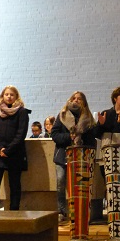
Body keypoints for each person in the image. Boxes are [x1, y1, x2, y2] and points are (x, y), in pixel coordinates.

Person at [91, 86, 120, 223]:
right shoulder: (106, 113)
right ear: (115, 98)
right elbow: (96, 134)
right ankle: (112, 215)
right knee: (109, 184)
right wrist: (100, 124)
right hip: (107, 157)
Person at [51, 91, 96, 224]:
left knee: (78, 185)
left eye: (79, 99)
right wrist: (69, 137)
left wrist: (81, 136)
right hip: (62, 156)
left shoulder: (88, 118)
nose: (76, 100)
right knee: (60, 182)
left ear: (84, 102)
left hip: (80, 156)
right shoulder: (62, 115)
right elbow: (54, 134)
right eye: (74, 98)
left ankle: (78, 211)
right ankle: (61, 211)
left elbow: (92, 139)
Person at [0, 85, 30, 210]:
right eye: (6, 94)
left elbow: (21, 134)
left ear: (16, 96)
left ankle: (14, 211)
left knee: (14, 183)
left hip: (15, 153)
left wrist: (8, 150)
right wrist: (0, 148)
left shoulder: (22, 112)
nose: (9, 97)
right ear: (2, 96)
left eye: (12, 94)